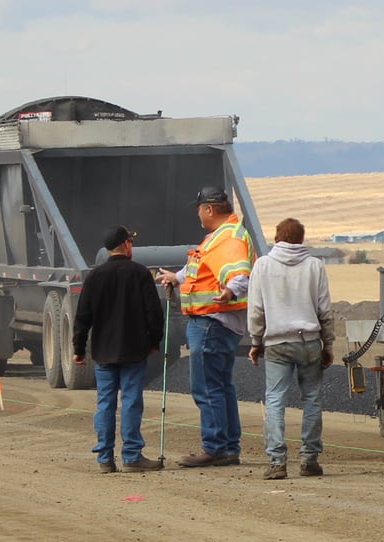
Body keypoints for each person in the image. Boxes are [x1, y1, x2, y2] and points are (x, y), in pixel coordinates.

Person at [156, 185, 253, 468]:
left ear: (209, 209)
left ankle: (215, 447)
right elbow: (202, 269)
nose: (198, 212)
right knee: (221, 386)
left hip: (212, 322)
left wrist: (230, 290)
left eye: (199, 207)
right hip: (217, 323)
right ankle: (227, 447)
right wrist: (177, 277)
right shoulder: (221, 236)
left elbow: (239, 273)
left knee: (207, 387)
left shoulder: (228, 239)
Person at [73, 225, 168, 473]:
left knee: (105, 403)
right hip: (134, 350)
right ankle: (132, 456)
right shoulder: (140, 274)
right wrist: (154, 342)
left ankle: (105, 458)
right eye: (131, 243)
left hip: (104, 351)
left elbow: (83, 316)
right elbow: (154, 313)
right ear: (126, 245)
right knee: (131, 401)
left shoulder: (94, 276)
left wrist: (79, 349)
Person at [247, 218, 335, 481]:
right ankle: (309, 460)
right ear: (301, 238)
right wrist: (328, 344)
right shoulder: (314, 266)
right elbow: (325, 310)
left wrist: (255, 342)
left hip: (276, 343)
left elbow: (256, 310)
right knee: (312, 400)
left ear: (277, 238)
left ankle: (276, 462)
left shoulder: (262, 266)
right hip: (309, 342)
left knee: (275, 401)